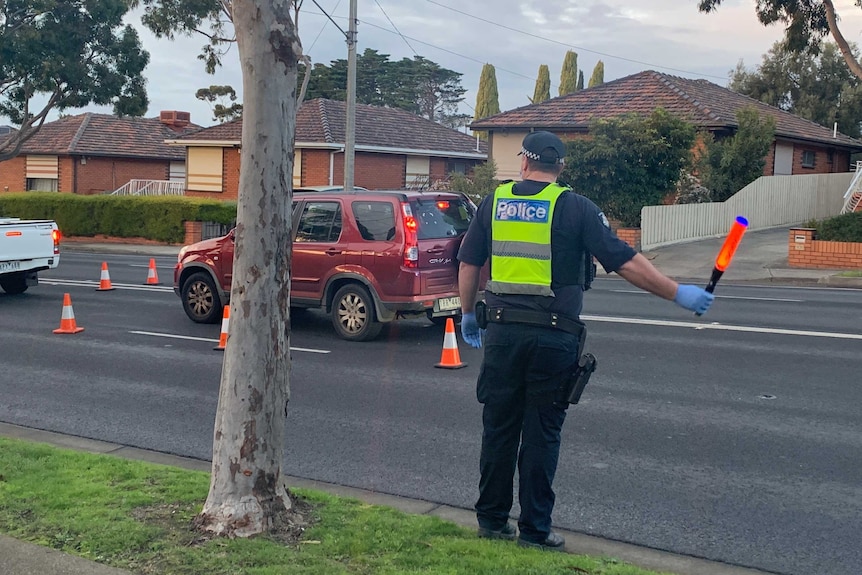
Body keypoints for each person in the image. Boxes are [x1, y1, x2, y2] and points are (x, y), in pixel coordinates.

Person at [457, 131, 713, 551]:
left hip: (501, 332)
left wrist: (468, 313)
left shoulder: (494, 203)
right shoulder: (575, 207)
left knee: (499, 428)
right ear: (561, 168)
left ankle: (491, 520)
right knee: (542, 433)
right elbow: (625, 262)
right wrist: (677, 292)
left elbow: (469, 263)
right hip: (554, 335)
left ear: (524, 162)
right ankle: (535, 531)